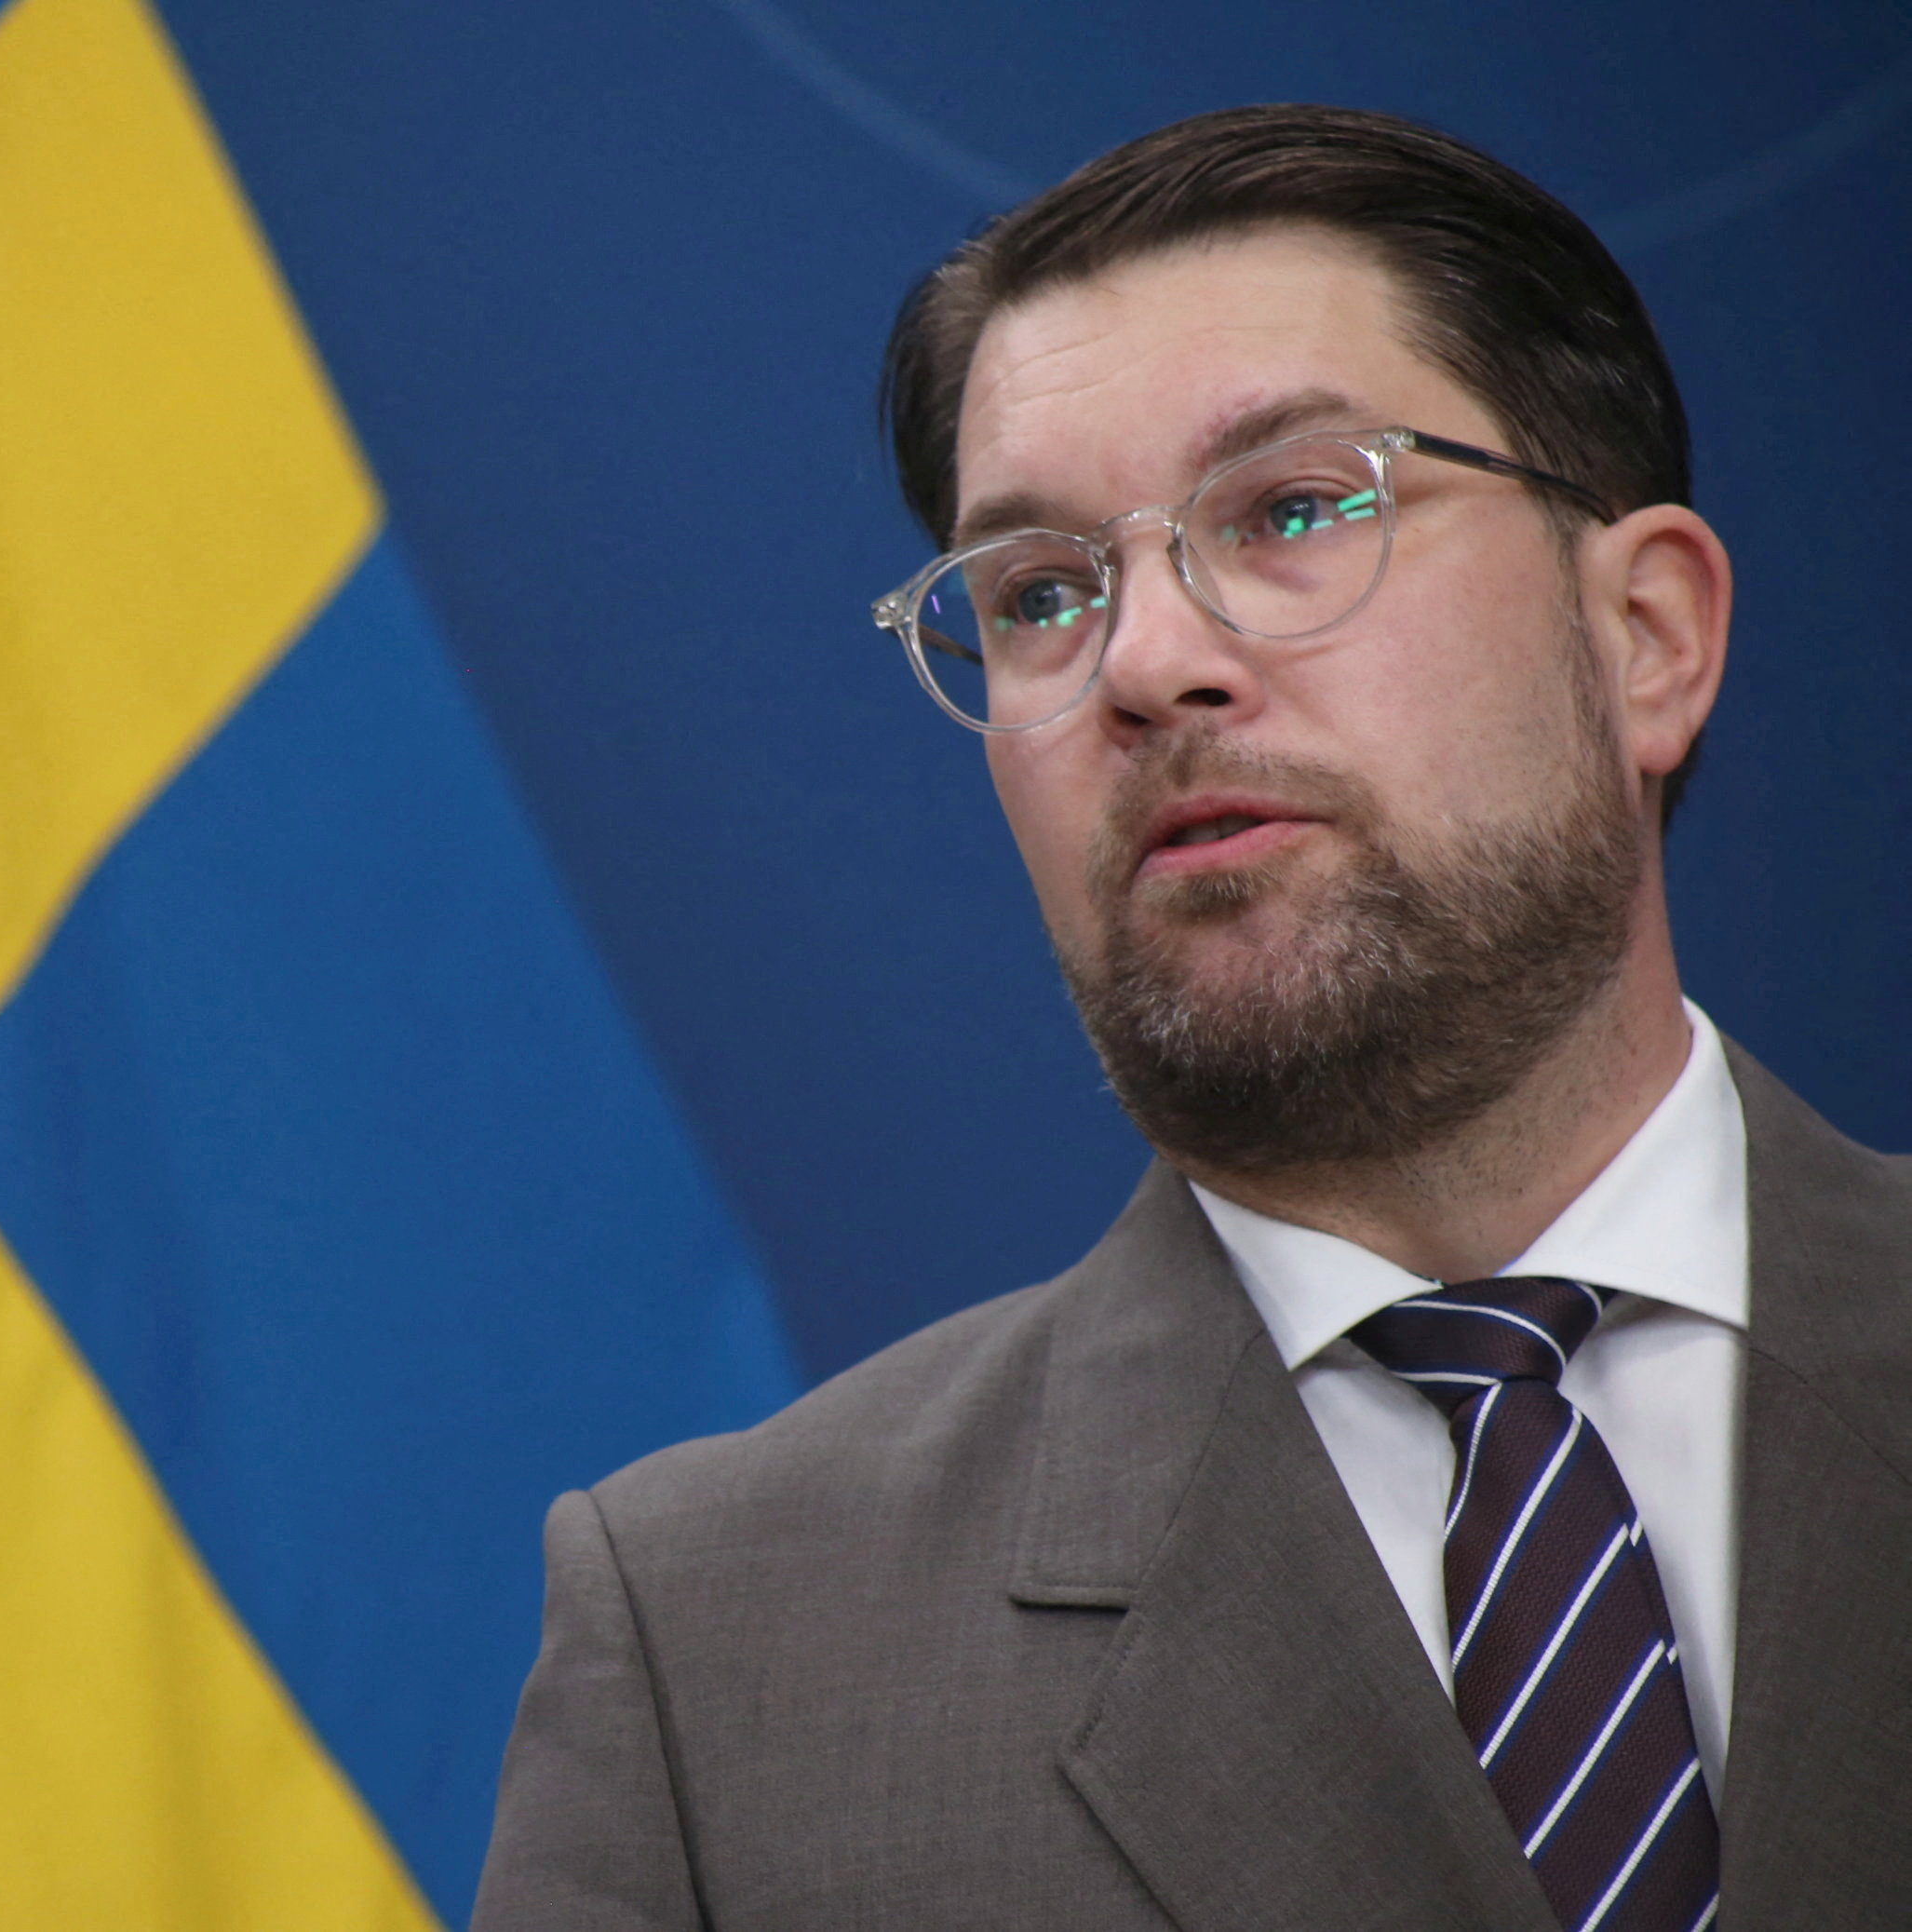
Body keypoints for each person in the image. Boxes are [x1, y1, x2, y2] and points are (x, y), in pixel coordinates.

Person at [471, 104, 1912, 1931]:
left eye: (1298, 508)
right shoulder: (717, 1657)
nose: (1145, 662)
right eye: (1040, 594)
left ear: (1642, 635)